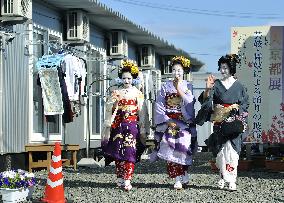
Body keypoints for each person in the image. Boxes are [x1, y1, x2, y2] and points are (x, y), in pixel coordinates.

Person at [198, 54, 249, 191]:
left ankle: (232, 180)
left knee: (232, 153)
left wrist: (238, 114)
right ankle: (222, 176)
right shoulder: (217, 85)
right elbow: (207, 102)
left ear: (231, 68)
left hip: (233, 123)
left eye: (225, 68)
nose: (222, 71)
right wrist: (208, 88)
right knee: (220, 152)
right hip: (220, 123)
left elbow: (245, 104)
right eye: (221, 68)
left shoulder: (239, 86)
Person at [102, 59, 147, 191]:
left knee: (130, 151)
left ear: (133, 78)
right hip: (118, 125)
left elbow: (142, 112)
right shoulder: (116, 92)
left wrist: (143, 128)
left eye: (129, 78)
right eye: (124, 78)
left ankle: (128, 178)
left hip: (132, 125)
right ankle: (120, 178)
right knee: (118, 152)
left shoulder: (138, 93)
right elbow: (109, 109)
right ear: (120, 79)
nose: (126, 81)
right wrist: (115, 103)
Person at [153, 56, 197, 190]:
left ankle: (184, 172)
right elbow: (159, 105)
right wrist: (167, 120)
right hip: (170, 121)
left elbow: (190, 103)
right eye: (174, 70)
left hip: (183, 121)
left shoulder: (188, 86)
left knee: (184, 148)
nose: (176, 73)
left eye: (179, 70)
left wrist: (179, 89)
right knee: (170, 147)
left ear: (184, 71)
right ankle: (177, 178)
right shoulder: (165, 86)